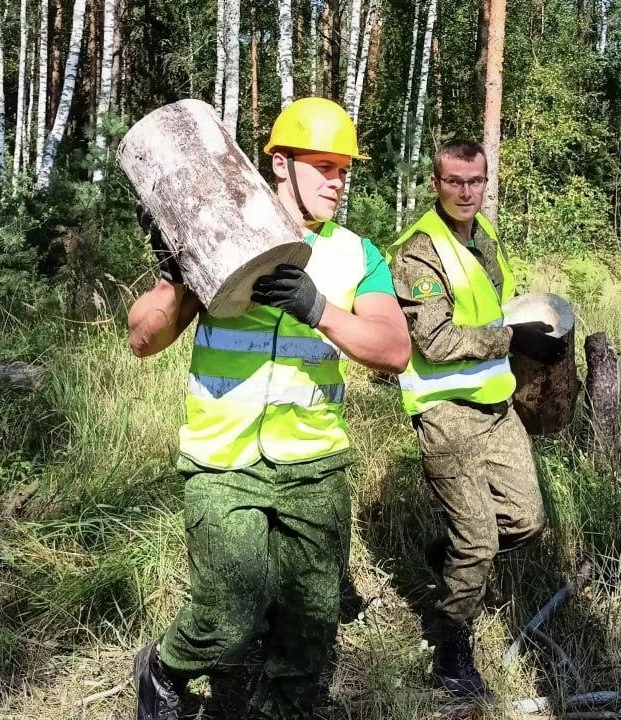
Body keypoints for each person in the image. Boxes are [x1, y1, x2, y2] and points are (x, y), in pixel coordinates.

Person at [126, 97, 410, 720]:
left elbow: (393, 350)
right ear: (280, 163)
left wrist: (318, 309)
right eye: (323, 165)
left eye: (345, 168)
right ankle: (164, 668)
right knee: (228, 614)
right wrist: (181, 272)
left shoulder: (358, 256)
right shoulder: (220, 235)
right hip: (222, 459)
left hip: (315, 463)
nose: (338, 179)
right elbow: (141, 339)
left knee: (310, 626)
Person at [385, 140, 564, 699]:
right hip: (446, 414)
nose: (466, 192)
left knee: (527, 522)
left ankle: (450, 557)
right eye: (454, 181)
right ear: (436, 183)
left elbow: (497, 307)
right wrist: (513, 337)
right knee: (481, 539)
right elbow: (434, 339)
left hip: (496, 406)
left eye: (475, 181)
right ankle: (450, 648)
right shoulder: (419, 251)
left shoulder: (485, 238)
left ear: (486, 182)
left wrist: (537, 334)